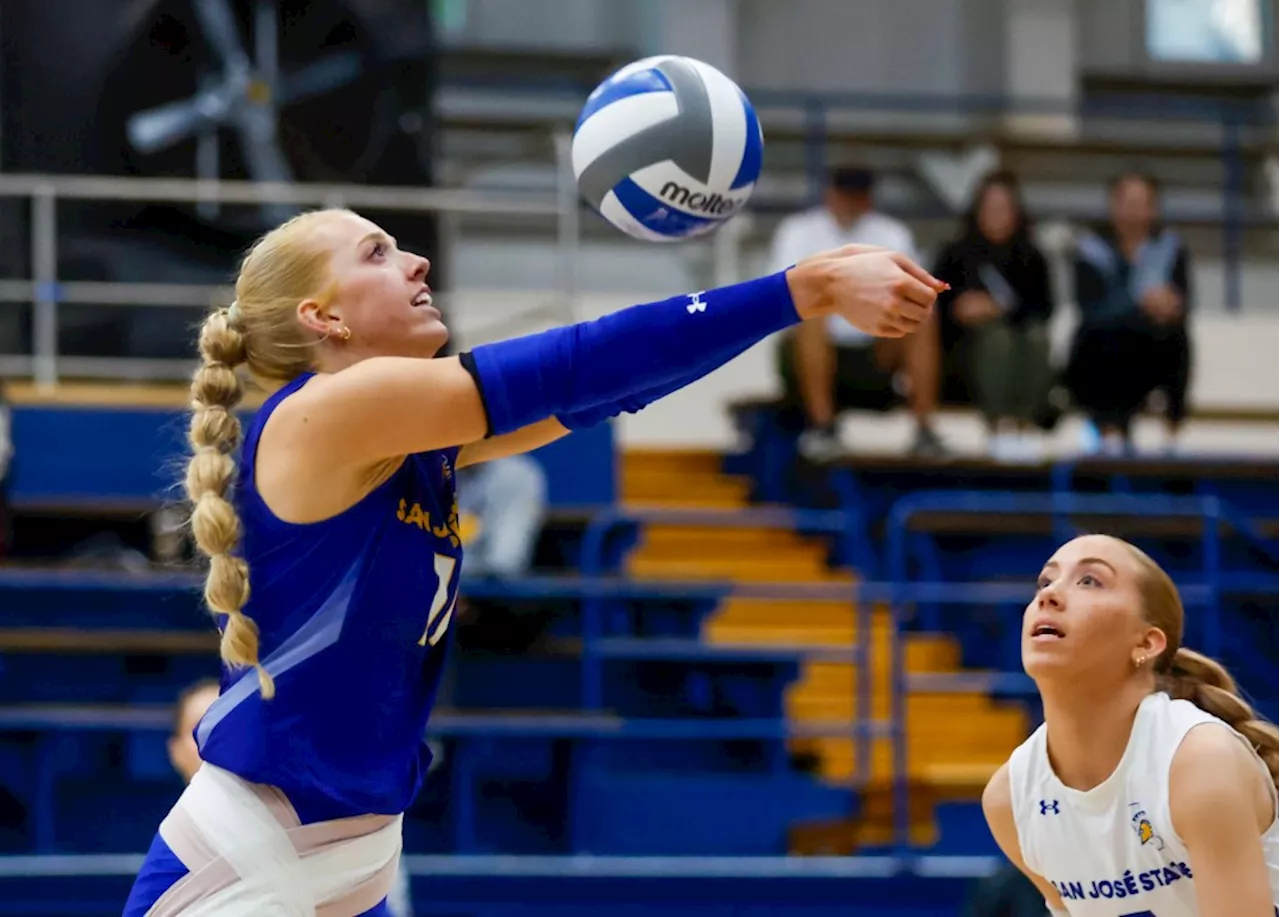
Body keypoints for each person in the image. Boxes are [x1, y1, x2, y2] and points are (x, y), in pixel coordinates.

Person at [122, 207, 944, 913]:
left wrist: (790, 304)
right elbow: (579, 360)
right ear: (323, 318)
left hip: (356, 848)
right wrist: (803, 289)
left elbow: (605, 389)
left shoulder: (408, 439)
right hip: (255, 849)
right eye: (376, 252)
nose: (416, 260)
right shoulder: (325, 412)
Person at [983, 533, 1280, 916]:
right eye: (1045, 581)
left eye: (1089, 580)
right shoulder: (1010, 799)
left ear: (1147, 643)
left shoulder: (1198, 760)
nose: (1049, 595)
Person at [771, 165, 947, 461]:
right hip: (814, 347)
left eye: (858, 196)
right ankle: (823, 425)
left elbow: (911, 292)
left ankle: (924, 429)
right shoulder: (798, 231)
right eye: (845, 195)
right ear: (830, 195)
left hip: (876, 344)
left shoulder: (891, 233)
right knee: (810, 316)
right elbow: (782, 298)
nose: (851, 203)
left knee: (924, 315)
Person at [1066, 172, 1192, 455]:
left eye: (1142, 202)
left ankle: (1172, 434)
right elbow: (1091, 310)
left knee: (1176, 336)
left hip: (1150, 349)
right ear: (1113, 205)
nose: (1134, 211)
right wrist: (1143, 304)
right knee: (1106, 338)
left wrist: (1169, 306)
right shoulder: (1090, 251)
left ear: (1154, 208)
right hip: (1102, 351)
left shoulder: (1171, 250)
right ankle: (1110, 432)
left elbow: (1183, 304)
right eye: (1127, 202)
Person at [933, 171, 1056, 463]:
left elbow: (1044, 310)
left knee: (1036, 338)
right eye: (989, 207)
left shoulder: (1031, 257)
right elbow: (935, 310)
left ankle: (1025, 423)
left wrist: (996, 308)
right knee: (995, 339)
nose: (996, 215)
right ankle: (999, 425)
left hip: (1021, 352)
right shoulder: (954, 255)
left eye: (1004, 208)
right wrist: (960, 310)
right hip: (963, 356)